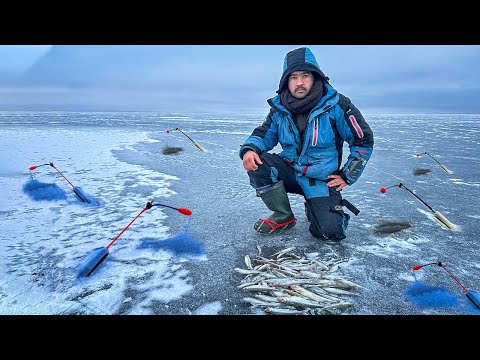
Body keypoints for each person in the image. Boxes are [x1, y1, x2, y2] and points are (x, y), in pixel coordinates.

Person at [239, 47, 374, 241]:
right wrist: (249, 150)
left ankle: (322, 209)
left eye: (305, 75)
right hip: (291, 171)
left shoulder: (337, 105)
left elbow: (363, 140)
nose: (299, 82)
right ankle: (283, 215)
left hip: (321, 179)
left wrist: (346, 175)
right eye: (293, 77)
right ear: (286, 81)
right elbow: (264, 134)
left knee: (330, 233)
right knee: (258, 161)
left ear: (316, 77)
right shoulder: (279, 108)